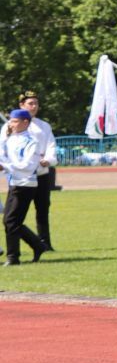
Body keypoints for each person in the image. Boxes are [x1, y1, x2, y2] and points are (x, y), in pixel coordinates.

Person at [0, 91, 58, 250]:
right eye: (30, 104)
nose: (34, 107)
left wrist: (49, 159)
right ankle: (27, 246)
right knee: (14, 216)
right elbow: (3, 150)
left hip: (40, 173)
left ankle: (45, 243)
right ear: (22, 105)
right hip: (21, 177)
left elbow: (51, 146)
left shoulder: (43, 126)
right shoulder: (9, 126)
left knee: (42, 210)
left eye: (36, 104)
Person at [1, 109, 47, 265]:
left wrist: (5, 166)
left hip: (26, 184)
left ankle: (13, 257)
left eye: (14, 121)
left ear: (25, 122)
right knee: (10, 221)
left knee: (11, 221)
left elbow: (27, 166)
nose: (11, 124)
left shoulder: (32, 142)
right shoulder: (10, 139)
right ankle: (37, 245)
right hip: (14, 183)